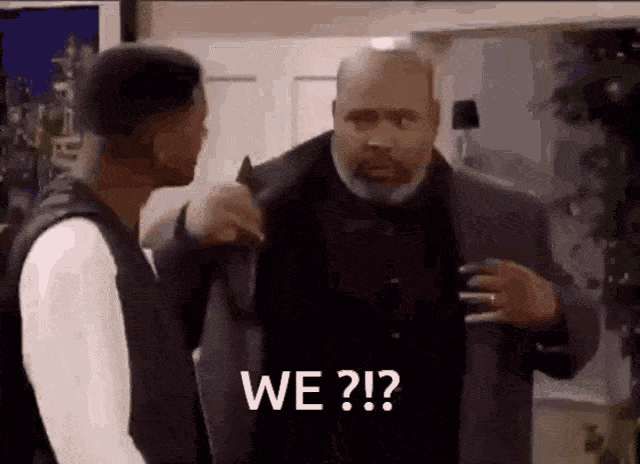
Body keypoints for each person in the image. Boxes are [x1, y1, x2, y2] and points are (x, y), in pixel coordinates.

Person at [140, 46, 600, 464]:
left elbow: (577, 340)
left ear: (434, 119)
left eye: (403, 120)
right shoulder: (258, 202)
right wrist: (186, 233)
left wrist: (551, 310)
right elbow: (158, 329)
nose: (381, 138)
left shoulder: (505, 219)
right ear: (335, 115)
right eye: (363, 119)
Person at [9, 44, 211, 463]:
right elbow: (93, 449)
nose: (204, 137)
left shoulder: (105, 235)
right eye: (199, 125)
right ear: (163, 141)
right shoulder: (75, 248)